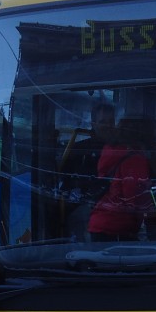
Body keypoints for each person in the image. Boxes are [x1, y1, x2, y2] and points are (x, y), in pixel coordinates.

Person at [86, 116, 153, 242]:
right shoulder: (135, 159)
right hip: (118, 228)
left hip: (99, 223)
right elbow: (134, 198)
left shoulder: (110, 149)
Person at [58, 102, 116, 240]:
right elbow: (67, 183)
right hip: (86, 208)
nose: (107, 126)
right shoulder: (79, 151)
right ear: (94, 123)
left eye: (111, 122)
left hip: (119, 207)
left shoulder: (124, 149)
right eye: (103, 122)